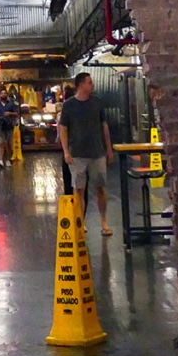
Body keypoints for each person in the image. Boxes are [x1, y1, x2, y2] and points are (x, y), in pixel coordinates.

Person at [59, 72, 114, 236]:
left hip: (97, 153)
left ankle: (104, 221)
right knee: (79, 190)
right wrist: (66, 151)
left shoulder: (97, 103)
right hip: (78, 154)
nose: (92, 85)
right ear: (81, 85)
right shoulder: (68, 105)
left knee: (100, 188)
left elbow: (104, 127)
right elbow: (63, 129)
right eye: (89, 82)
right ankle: (80, 222)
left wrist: (109, 149)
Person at [0, 87, 18, 167]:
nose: (3, 95)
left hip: (9, 126)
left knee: (9, 144)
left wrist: (10, 113)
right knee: (0, 143)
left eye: (5, 93)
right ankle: (0, 160)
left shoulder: (11, 104)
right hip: (0, 126)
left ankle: (8, 159)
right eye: (2, 93)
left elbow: (16, 113)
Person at [60, 83, 76, 195]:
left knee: (68, 178)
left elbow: (61, 129)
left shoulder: (65, 108)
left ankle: (70, 200)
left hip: (70, 147)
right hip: (78, 148)